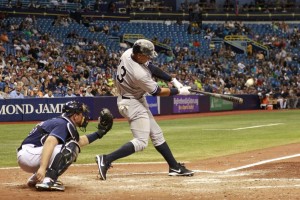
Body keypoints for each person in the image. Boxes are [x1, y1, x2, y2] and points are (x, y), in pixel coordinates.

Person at [95, 39, 194, 180]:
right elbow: (157, 92)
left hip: (134, 99)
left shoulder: (129, 53)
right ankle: (106, 159)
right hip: (131, 103)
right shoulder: (138, 74)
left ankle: (174, 167)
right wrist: (178, 91)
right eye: (147, 55)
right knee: (141, 142)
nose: (149, 57)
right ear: (140, 55)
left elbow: (152, 68)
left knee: (157, 134)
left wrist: (172, 79)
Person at [17, 101, 113, 191]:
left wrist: (99, 133)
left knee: (71, 145)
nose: (83, 117)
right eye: (81, 114)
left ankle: (36, 179)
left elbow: (79, 141)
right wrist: (42, 168)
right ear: (75, 116)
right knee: (70, 147)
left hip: (29, 154)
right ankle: (49, 180)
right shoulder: (64, 123)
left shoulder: (63, 122)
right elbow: (50, 142)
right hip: (29, 155)